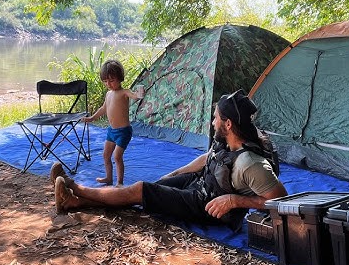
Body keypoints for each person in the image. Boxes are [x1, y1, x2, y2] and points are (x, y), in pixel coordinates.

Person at [53, 90, 287, 231]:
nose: (212, 122)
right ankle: (75, 203)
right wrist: (176, 174)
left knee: (140, 190)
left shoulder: (250, 163)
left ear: (228, 124)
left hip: (206, 207)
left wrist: (235, 201)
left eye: (215, 118)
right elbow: (209, 158)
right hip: (200, 185)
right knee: (152, 188)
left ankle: (75, 187)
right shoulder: (229, 140)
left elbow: (280, 200)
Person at [80, 59, 142, 186]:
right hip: (111, 131)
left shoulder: (124, 92)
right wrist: (92, 118)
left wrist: (139, 94)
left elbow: (135, 96)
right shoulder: (108, 94)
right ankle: (109, 178)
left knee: (117, 156)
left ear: (120, 78)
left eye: (111, 80)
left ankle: (119, 182)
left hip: (123, 132)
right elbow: (103, 108)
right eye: (105, 81)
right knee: (105, 155)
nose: (108, 84)